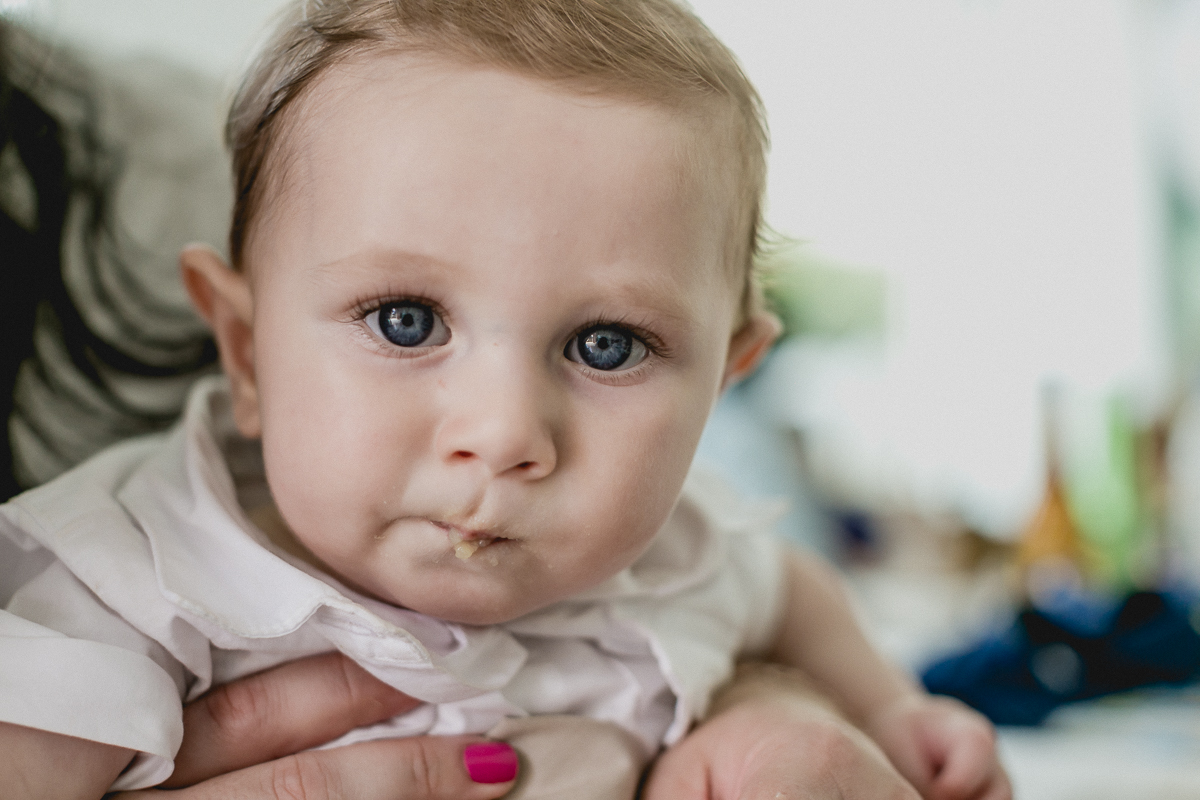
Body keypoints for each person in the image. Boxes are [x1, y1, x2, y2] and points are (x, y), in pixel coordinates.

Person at [0, 2, 1010, 798]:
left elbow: (789, 592)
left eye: (606, 344)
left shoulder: (675, 554)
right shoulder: (127, 582)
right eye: (405, 320)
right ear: (247, 352)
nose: (505, 434)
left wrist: (890, 710)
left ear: (724, 379)